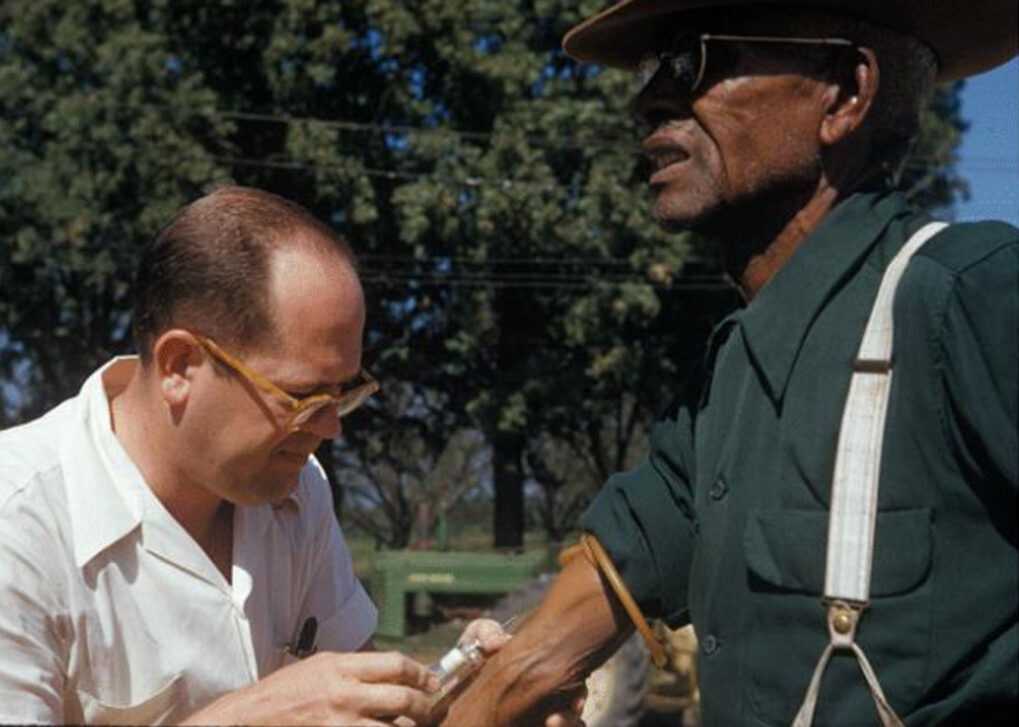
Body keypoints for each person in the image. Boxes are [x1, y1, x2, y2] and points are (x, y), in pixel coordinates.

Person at [442, 1, 1018, 726]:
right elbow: (561, 634)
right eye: (649, 70)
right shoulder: (726, 385)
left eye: (692, 58)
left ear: (843, 93)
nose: (649, 97)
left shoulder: (971, 295)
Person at [0, 186, 502, 725]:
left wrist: (472, 700)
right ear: (179, 366)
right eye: (303, 397)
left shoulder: (297, 487)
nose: (331, 427)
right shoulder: (21, 524)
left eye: (342, 394)